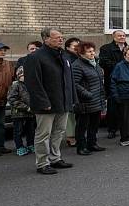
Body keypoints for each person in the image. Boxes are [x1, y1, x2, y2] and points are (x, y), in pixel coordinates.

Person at [25, 27, 76, 175]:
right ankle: (42, 163)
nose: (61, 39)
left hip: (63, 102)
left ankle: (55, 158)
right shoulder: (35, 57)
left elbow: (69, 80)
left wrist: (71, 99)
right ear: (46, 39)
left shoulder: (64, 56)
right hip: (46, 104)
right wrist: (43, 102)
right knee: (43, 134)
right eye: (56, 37)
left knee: (59, 132)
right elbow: (33, 83)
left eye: (62, 37)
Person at [70, 42, 106, 155]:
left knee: (94, 124)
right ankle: (81, 147)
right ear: (81, 53)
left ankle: (92, 143)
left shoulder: (95, 63)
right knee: (82, 125)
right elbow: (75, 84)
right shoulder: (77, 65)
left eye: (93, 51)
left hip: (97, 99)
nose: (92, 53)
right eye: (89, 51)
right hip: (84, 101)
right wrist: (87, 94)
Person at [99, 30, 127, 139]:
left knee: (125, 107)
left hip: (127, 82)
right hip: (112, 81)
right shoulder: (106, 48)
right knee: (112, 107)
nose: (122, 37)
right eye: (119, 36)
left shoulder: (128, 48)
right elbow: (104, 63)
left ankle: (123, 127)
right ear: (113, 37)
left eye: (123, 36)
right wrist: (122, 66)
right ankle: (112, 129)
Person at [8, 67, 35, 156]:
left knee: (30, 130)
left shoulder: (30, 85)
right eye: (22, 75)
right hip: (18, 113)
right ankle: (19, 147)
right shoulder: (15, 85)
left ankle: (30, 144)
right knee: (18, 131)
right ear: (18, 76)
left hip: (30, 113)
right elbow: (12, 99)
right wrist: (25, 107)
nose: (24, 77)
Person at [63, 37, 80, 147]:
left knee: (76, 114)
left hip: (78, 88)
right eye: (75, 46)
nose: (77, 48)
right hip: (69, 88)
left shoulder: (78, 57)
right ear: (68, 47)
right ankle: (70, 136)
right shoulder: (67, 57)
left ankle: (76, 135)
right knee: (70, 115)